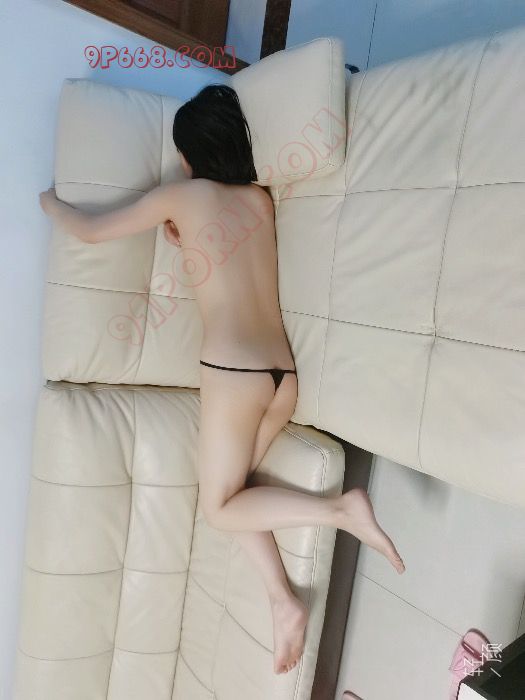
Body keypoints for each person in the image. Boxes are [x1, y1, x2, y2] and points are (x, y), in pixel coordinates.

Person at [39, 82, 405, 677]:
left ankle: (342, 511)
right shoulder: (259, 200)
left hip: (235, 377)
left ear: (189, 154)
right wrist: (185, 231)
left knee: (219, 509)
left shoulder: (182, 195)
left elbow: (89, 229)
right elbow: (228, 252)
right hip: (283, 377)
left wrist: (49, 202)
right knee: (239, 497)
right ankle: (283, 601)